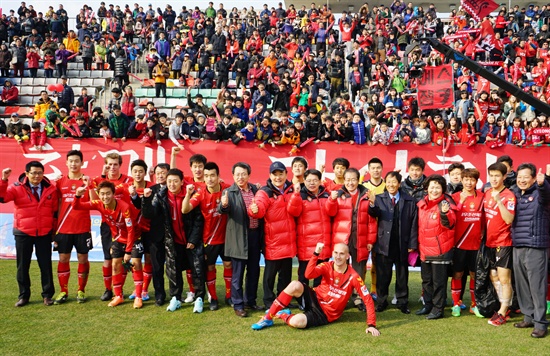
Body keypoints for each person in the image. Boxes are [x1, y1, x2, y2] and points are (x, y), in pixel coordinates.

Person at [251, 242, 380, 336]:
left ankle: (284, 315)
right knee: (295, 284)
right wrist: (316, 254)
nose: (338, 256)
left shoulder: (353, 276)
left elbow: (367, 299)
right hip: (314, 297)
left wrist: (371, 325)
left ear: (347, 256)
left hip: (324, 314)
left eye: (342, 254)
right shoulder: (327, 265)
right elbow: (308, 275)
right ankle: (267, 318)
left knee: (297, 322)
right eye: (335, 253)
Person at [141, 169, 206, 313]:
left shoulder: (191, 194)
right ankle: (176, 298)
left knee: (197, 269)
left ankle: (199, 298)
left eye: (175, 181)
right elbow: (149, 214)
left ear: (182, 182)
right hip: (173, 241)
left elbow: (198, 219)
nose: (172, 184)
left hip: (190, 241)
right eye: (169, 181)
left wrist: (194, 239)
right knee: (173, 271)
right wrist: (145, 200)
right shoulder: (161, 195)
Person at [73, 181, 144, 309]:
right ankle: (118, 296)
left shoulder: (124, 207)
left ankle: (138, 296)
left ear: (113, 194)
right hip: (118, 238)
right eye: (102, 194)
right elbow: (77, 206)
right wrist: (77, 196)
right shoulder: (98, 204)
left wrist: (128, 252)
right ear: (99, 195)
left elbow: (130, 230)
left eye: (108, 194)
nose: (105, 197)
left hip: (134, 237)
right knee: (115, 265)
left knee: (136, 263)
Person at [1, 162, 59, 307]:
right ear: (26, 174)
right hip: (23, 232)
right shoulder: (16, 187)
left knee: (45, 265)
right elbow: (2, 198)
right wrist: (3, 180)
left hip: (44, 233)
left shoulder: (51, 189)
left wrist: (54, 232)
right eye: (33, 173)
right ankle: (24, 296)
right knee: (22, 266)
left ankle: (47, 295)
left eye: (40, 173)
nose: (36, 176)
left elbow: (55, 213)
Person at [325, 168, 378, 312]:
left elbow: (372, 221)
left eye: (353, 179)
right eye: (347, 180)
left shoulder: (367, 195)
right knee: (339, 268)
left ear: (358, 179)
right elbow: (330, 212)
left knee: (358, 269)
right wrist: (332, 199)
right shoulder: (339, 193)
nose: (350, 183)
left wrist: (370, 241)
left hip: (360, 238)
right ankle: (339, 296)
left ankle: (358, 297)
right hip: (342, 238)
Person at [182, 162, 232, 311]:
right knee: (210, 267)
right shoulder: (200, 193)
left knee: (229, 265)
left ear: (218, 177)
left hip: (227, 238)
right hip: (209, 240)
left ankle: (229, 296)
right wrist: (187, 194)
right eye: (206, 176)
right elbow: (185, 209)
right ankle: (214, 298)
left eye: (212, 175)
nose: (209, 179)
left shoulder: (227, 189)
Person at [248, 161, 297, 309]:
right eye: (274, 174)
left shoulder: (292, 189)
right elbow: (258, 209)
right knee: (270, 275)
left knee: (286, 274)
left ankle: (283, 299)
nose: (278, 177)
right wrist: (254, 210)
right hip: (273, 241)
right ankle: (269, 300)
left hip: (288, 241)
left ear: (286, 174)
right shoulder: (264, 192)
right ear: (270, 176)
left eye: (280, 174)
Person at [368, 171, 418, 314]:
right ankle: (382, 301)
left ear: (399, 183)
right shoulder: (378, 198)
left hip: (402, 243)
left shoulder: (409, 200)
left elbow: (414, 223)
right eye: (388, 182)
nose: (391, 185)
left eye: (394, 182)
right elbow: (373, 214)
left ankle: (402, 302)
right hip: (383, 243)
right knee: (383, 275)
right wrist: (371, 204)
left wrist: (412, 244)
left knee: (402, 275)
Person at [219, 162, 263, 317]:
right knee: (237, 274)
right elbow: (222, 209)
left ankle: (250, 300)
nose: (240, 177)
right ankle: (238, 304)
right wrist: (224, 205)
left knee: (253, 271)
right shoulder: (228, 192)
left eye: (243, 174)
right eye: (237, 174)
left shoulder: (256, 190)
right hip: (237, 238)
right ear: (233, 176)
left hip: (254, 236)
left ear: (249, 175)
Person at [511, 163, 549, 338]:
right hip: (518, 245)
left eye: (526, 177)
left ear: (534, 178)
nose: (522, 180)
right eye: (519, 177)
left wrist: (543, 184)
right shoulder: (515, 194)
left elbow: (546, 194)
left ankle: (541, 324)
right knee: (522, 285)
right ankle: (528, 317)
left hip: (536, 246)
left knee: (537, 286)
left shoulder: (540, 194)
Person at [91, 152, 133, 302]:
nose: (112, 167)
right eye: (109, 164)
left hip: (125, 226)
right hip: (108, 225)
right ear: (105, 165)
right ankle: (108, 289)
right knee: (108, 259)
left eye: (115, 164)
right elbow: (94, 202)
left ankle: (119, 290)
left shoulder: (129, 180)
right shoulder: (98, 181)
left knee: (125, 260)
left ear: (120, 165)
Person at [52, 150, 92, 305]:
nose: (74, 164)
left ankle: (81, 290)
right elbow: (55, 204)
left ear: (82, 163)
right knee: (63, 258)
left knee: (83, 258)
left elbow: (95, 201)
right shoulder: (59, 182)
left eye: (77, 161)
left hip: (82, 228)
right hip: (63, 228)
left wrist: (91, 186)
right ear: (66, 163)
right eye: (71, 161)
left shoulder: (87, 181)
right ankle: (63, 291)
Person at [416, 175, 456, 320]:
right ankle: (427, 305)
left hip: (440, 250)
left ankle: (438, 309)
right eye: (432, 187)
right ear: (427, 188)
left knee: (439, 282)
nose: (434, 190)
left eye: (438, 187)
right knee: (426, 281)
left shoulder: (446, 204)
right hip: (425, 250)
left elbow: (450, 223)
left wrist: (445, 213)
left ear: (443, 189)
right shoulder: (422, 204)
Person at [484, 162, 516, 326]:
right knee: (494, 276)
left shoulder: (509, 195)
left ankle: (504, 310)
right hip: (489, 243)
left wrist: (499, 201)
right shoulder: (487, 192)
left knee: (504, 279)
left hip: (503, 243)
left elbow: (509, 219)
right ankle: (504, 304)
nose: (494, 178)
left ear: (504, 177)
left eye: (498, 175)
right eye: (492, 175)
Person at [288, 169, 332, 287]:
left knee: (321, 277)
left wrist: (332, 199)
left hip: (323, 243)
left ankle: (319, 301)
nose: (312, 183)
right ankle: (304, 301)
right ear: (304, 181)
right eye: (308, 181)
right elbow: (293, 212)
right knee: (304, 276)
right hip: (306, 244)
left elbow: (333, 213)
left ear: (319, 181)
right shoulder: (300, 195)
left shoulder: (327, 194)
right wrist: (296, 195)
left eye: (315, 180)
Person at [450, 168, 484, 318]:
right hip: (458, 244)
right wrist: (461, 202)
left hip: (476, 244)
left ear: (476, 181)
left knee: (474, 275)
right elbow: (449, 218)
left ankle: (474, 304)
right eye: (466, 179)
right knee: (457, 274)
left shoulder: (483, 197)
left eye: (472, 180)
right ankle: (456, 304)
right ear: (462, 180)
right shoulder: (454, 197)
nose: (469, 182)